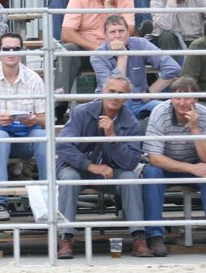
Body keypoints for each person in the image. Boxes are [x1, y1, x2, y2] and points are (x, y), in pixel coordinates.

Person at [55, 75, 153, 259]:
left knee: (130, 179)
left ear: (127, 98)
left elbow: (131, 162)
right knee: (69, 178)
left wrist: (113, 138)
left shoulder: (131, 123)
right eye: (112, 91)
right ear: (102, 92)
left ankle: (139, 238)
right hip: (76, 168)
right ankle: (65, 238)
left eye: (121, 93)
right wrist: (89, 165)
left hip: (110, 172)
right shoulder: (81, 112)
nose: (115, 97)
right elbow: (63, 146)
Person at [0, 33, 48, 221]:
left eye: (15, 49)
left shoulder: (34, 78)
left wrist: (34, 120)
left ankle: (49, 199)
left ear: (22, 52)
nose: (11, 53)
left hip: (23, 137)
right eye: (6, 49)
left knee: (42, 136)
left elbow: (46, 120)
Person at [56, 0, 135, 119]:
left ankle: (135, 104)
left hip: (117, 51)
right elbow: (66, 33)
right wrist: (99, 50)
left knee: (135, 49)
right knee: (67, 50)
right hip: (87, 50)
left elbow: (129, 31)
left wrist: (107, 7)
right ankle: (58, 107)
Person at [140, 76, 206, 257]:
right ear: (170, 98)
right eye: (177, 97)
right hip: (166, 164)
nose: (182, 103)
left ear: (196, 99)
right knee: (152, 173)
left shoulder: (204, 114)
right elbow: (154, 158)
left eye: (187, 97)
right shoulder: (160, 112)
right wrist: (191, 168)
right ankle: (155, 235)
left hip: (195, 164)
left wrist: (195, 129)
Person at [90, 14, 180, 119]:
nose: (118, 35)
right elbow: (115, 88)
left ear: (128, 33)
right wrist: (123, 56)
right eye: (113, 32)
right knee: (122, 105)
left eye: (121, 31)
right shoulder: (98, 56)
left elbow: (173, 68)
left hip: (140, 102)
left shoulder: (140, 44)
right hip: (110, 103)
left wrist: (149, 93)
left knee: (168, 110)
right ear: (105, 36)